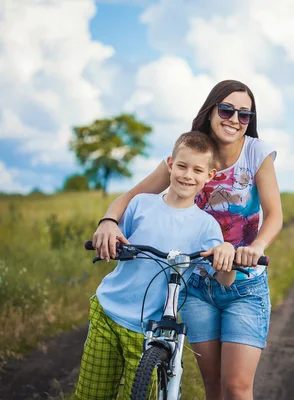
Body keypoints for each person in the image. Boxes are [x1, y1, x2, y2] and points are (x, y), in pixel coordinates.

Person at [91, 80, 283, 400]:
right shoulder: (190, 155)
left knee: (236, 387)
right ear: (210, 111)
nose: (234, 119)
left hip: (244, 282)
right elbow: (132, 196)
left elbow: (274, 214)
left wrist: (256, 247)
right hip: (196, 283)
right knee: (214, 388)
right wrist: (109, 221)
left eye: (245, 114)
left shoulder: (256, 152)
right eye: (226, 109)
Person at [75, 131, 236, 400]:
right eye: (182, 166)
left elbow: (225, 279)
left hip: (152, 331)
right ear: (170, 164)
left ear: (209, 176)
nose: (187, 175)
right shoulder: (140, 204)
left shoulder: (206, 226)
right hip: (108, 311)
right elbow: (115, 238)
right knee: (90, 394)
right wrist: (108, 234)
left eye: (197, 170)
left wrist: (227, 251)